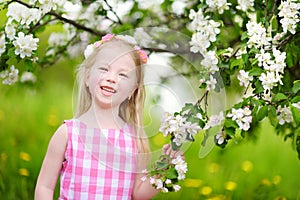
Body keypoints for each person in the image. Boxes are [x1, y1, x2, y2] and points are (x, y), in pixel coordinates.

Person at [35, 33, 183, 200]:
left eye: (123, 75)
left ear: (132, 91)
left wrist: (166, 169)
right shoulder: (68, 133)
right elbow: (44, 187)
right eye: (104, 69)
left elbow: (138, 193)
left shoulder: (134, 139)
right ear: (87, 76)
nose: (112, 78)